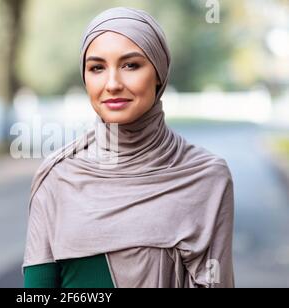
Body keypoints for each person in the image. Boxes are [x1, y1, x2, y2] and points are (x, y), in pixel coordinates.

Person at [22, 7, 235, 288]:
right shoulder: (57, 177)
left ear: (159, 72)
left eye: (131, 65)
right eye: (97, 68)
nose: (112, 84)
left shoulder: (206, 177)